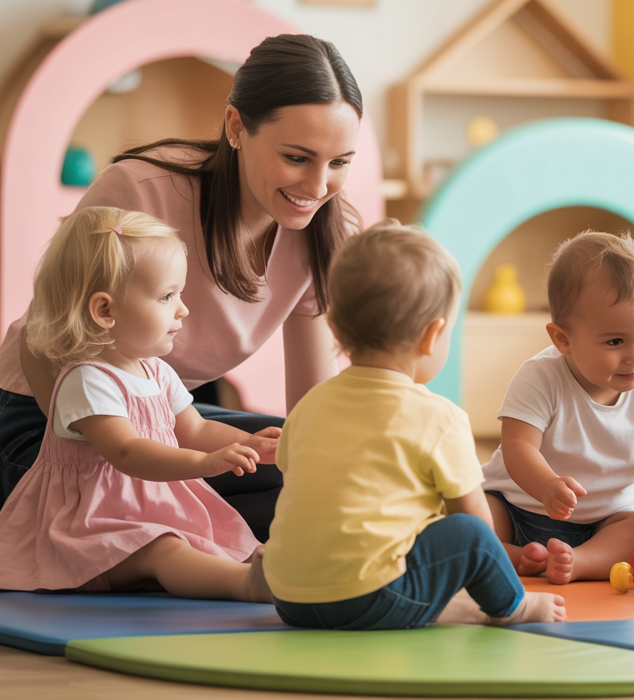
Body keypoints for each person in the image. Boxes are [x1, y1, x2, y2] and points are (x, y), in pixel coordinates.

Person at [0, 34, 363, 541]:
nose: (318, 186)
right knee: (279, 510)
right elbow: (46, 344)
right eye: (298, 158)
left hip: (161, 417)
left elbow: (312, 413)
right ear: (237, 127)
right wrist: (103, 468)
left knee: (320, 469)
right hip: (54, 421)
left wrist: (330, 468)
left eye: (340, 162)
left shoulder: (323, 231)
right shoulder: (138, 193)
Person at [264, 221, 565, 629]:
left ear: (334, 327)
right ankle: (514, 607)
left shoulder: (308, 406)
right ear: (433, 335)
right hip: (366, 600)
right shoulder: (439, 417)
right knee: (468, 533)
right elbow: (474, 524)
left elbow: (299, 476)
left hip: (289, 597)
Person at [0, 207, 276, 601]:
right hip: (91, 525)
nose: (182, 309)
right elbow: (126, 452)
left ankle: (261, 569)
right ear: (105, 311)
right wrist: (204, 464)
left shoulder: (156, 371)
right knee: (164, 549)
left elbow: (195, 428)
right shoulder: (86, 380)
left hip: (150, 506)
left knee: (209, 535)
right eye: (167, 296)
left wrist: (249, 444)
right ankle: (246, 585)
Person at [480, 231, 634, 584]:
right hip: (516, 508)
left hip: (602, 525)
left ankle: (576, 561)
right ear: (563, 339)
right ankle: (516, 555)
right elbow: (517, 446)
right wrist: (546, 486)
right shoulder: (541, 377)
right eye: (616, 341)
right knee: (466, 514)